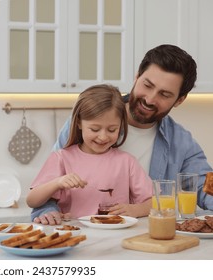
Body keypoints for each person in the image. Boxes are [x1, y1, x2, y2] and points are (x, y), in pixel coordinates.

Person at [32, 44, 213, 225]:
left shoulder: (181, 142)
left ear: (179, 100)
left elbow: (205, 188)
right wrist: (49, 211)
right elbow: (50, 186)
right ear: (137, 77)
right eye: (147, 85)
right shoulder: (85, 124)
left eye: (164, 94)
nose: (149, 99)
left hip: (146, 240)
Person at [27, 84, 153, 219]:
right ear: (79, 123)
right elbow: (31, 200)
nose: (103, 137)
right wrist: (58, 182)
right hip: (75, 235)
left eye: (112, 130)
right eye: (94, 129)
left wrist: (136, 210)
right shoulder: (62, 158)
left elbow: (155, 202)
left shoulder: (127, 162)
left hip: (116, 237)